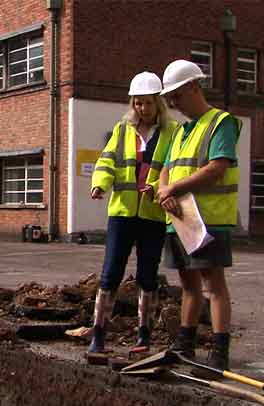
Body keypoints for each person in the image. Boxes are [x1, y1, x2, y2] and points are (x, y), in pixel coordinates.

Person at [154, 59, 241, 374]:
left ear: (194, 86)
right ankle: (185, 344)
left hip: (209, 220)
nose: (173, 103)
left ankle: (218, 354)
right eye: (169, 98)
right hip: (180, 220)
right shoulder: (179, 132)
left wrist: (173, 188)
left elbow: (217, 168)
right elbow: (165, 169)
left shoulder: (221, 123)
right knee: (188, 284)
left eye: (176, 95)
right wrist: (165, 192)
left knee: (213, 284)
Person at [87, 72, 178, 354]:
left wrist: (159, 188)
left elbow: (175, 167)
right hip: (122, 213)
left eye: (148, 103)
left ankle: (143, 337)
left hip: (153, 215)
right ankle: (98, 335)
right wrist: (100, 183)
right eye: (137, 103)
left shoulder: (173, 132)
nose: (142, 109)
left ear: (158, 104)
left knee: (147, 276)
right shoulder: (122, 130)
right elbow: (107, 160)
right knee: (110, 273)